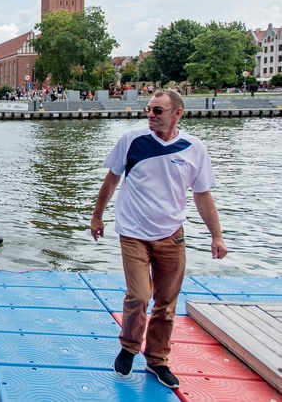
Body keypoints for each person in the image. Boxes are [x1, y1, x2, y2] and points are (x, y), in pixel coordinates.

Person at [90, 88, 228, 390]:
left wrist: (216, 236)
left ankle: (157, 359)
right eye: (148, 110)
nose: (150, 115)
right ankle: (128, 348)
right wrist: (97, 216)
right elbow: (112, 179)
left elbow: (202, 194)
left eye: (157, 111)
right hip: (133, 233)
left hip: (171, 235)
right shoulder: (132, 140)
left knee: (166, 303)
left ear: (177, 113)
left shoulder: (194, 148)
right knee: (139, 295)